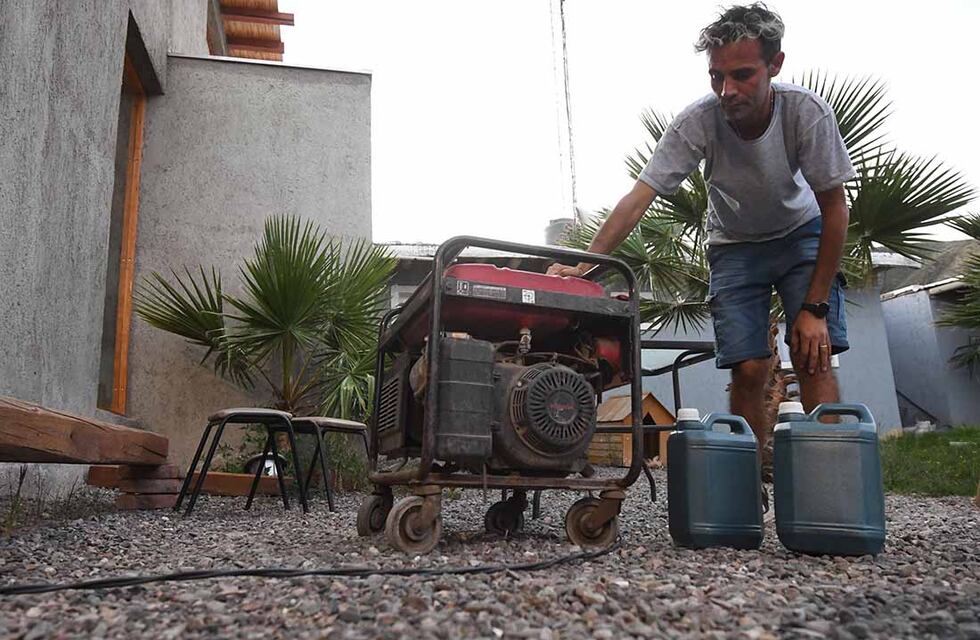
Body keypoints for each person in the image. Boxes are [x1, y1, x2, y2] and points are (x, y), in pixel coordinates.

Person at [548, 3, 854, 454]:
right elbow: (638, 200)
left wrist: (815, 307)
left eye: (743, 75)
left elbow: (834, 209)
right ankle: (747, 486)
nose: (727, 90)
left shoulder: (806, 113)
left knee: (813, 357)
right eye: (717, 77)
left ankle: (832, 487)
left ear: (775, 65)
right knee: (748, 368)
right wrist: (586, 267)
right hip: (735, 246)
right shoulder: (698, 121)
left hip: (801, 235)